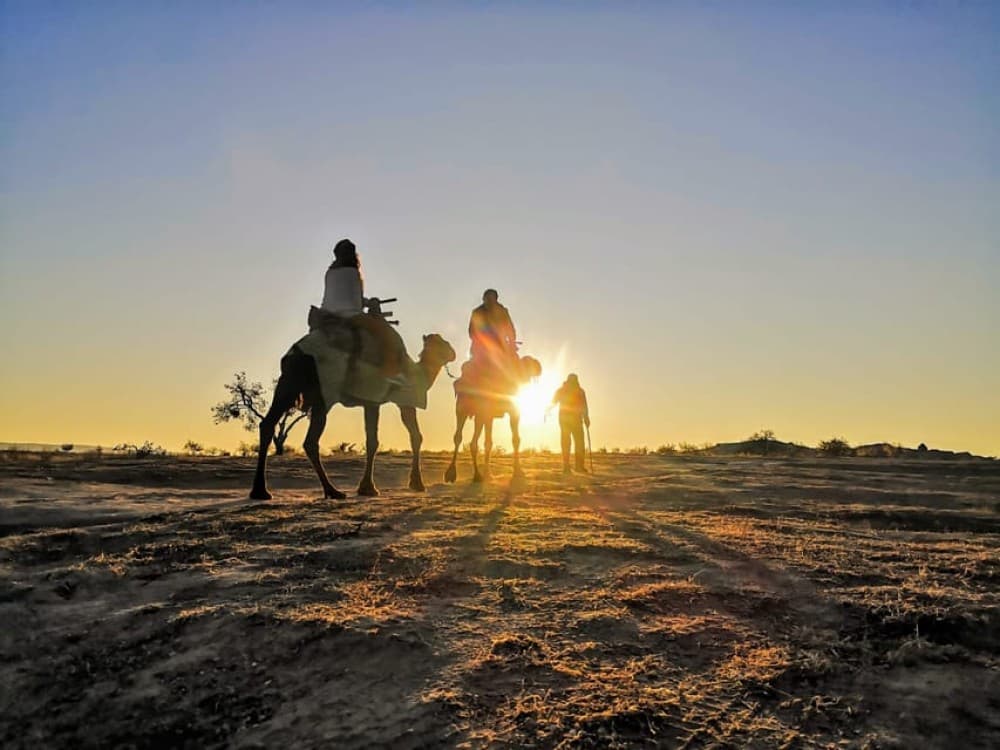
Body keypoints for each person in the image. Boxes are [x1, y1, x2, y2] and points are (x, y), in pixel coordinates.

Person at [320, 239, 403, 382]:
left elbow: (339, 296)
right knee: (384, 332)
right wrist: (371, 303)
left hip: (326, 314)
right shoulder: (352, 272)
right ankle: (389, 371)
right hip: (349, 315)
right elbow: (356, 300)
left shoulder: (330, 273)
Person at [550, 374, 590, 474]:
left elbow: (584, 406)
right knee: (571, 442)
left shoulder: (576, 391)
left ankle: (575, 466)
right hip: (568, 420)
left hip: (570, 420)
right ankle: (570, 467)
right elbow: (553, 401)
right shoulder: (576, 391)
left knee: (573, 442)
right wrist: (586, 418)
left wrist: (586, 417)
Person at [468, 288, 518, 368]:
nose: (490, 301)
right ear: (483, 299)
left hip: (500, 348)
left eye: (492, 299)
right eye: (487, 299)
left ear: (496, 299)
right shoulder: (477, 312)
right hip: (480, 350)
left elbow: (510, 329)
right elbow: (471, 331)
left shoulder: (502, 311)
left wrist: (511, 342)